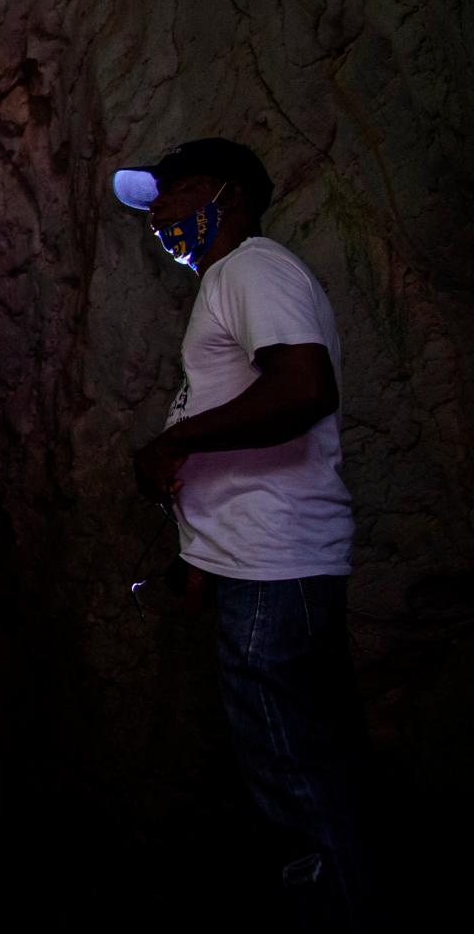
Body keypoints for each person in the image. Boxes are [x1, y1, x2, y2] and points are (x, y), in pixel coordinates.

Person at [114, 137, 371, 930]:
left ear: (224, 192)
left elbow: (304, 388)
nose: (157, 212)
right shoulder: (229, 285)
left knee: (301, 806)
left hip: (273, 581)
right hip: (260, 577)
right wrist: (200, 562)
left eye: (171, 191)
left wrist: (176, 442)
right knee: (306, 787)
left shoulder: (251, 268)